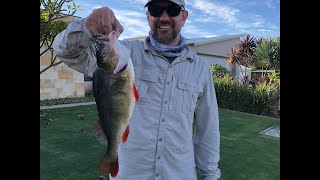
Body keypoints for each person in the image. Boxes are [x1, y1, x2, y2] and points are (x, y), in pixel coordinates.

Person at [52, 0, 221, 179]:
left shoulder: (201, 68)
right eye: (156, 9)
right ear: (148, 16)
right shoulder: (123, 53)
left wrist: (210, 174)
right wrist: (87, 27)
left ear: (184, 16)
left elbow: (208, 127)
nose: (164, 17)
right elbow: (64, 51)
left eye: (172, 10)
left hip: (180, 174)